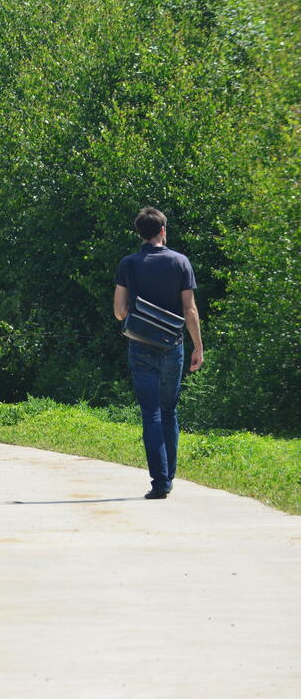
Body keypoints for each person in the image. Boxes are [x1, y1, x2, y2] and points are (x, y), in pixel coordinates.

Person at [113, 207, 204, 500]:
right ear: (163, 230)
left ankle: (160, 481)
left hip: (140, 346)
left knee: (150, 413)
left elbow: (119, 312)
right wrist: (197, 347)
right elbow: (189, 310)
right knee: (168, 412)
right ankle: (169, 476)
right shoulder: (180, 262)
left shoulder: (128, 263)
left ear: (140, 232)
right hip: (172, 346)